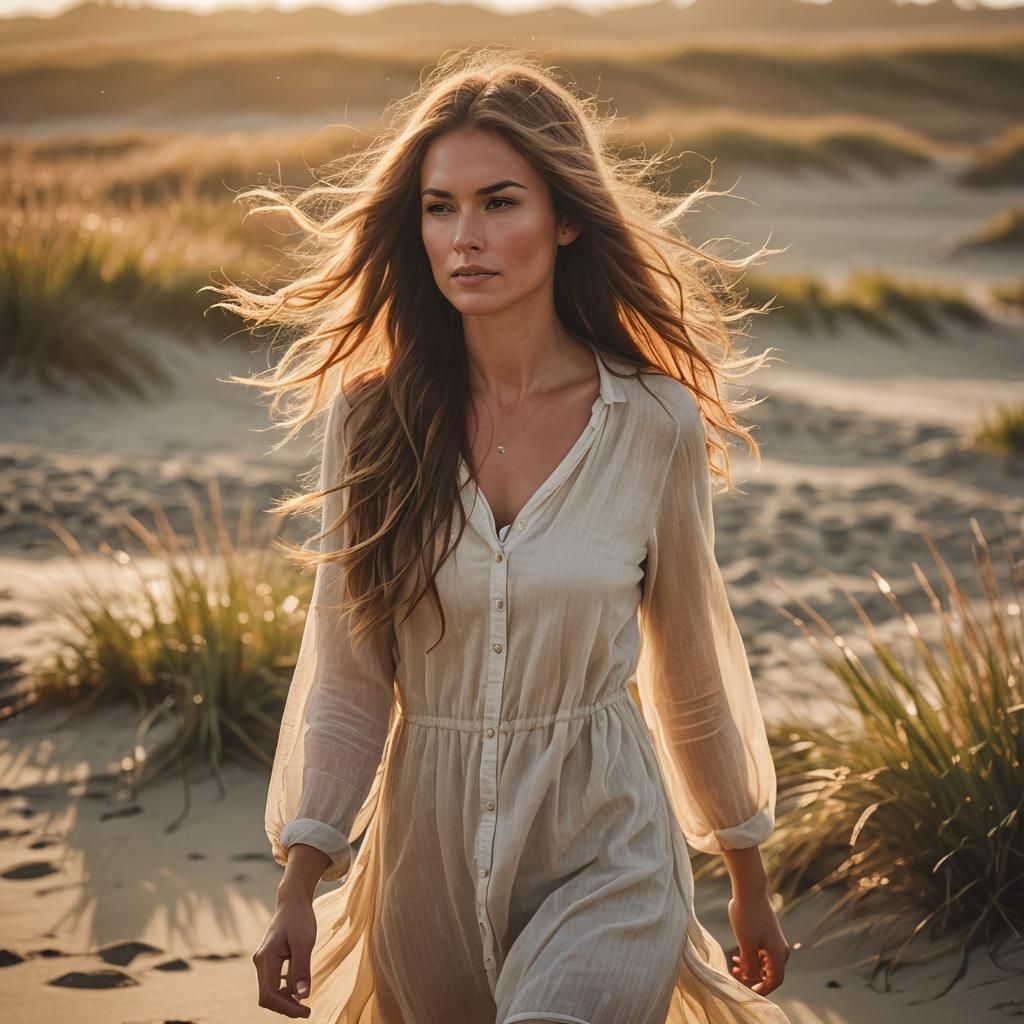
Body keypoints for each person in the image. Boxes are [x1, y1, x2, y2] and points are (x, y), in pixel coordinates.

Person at [215, 46, 792, 1024]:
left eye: (499, 203)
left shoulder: (652, 422)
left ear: (566, 217)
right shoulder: (374, 419)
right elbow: (349, 673)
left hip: (606, 849)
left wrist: (744, 874)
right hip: (424, 870)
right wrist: (299, 885)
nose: (464, 237)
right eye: (440, 208)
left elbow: (691, 663)